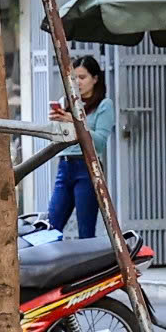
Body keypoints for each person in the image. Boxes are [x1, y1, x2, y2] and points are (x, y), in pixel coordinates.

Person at [45, 55, 117, 240]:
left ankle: (89, 267)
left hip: (87, 168)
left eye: (83, 77)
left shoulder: (104, 105)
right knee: (51, 227)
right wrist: (57, 122)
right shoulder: (67, 103)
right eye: (74, 78)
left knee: (86, 230)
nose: (78, 82)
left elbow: (100, 141)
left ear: (95, 79)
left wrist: (75, 122)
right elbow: (60, 139)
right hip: (65, 166)